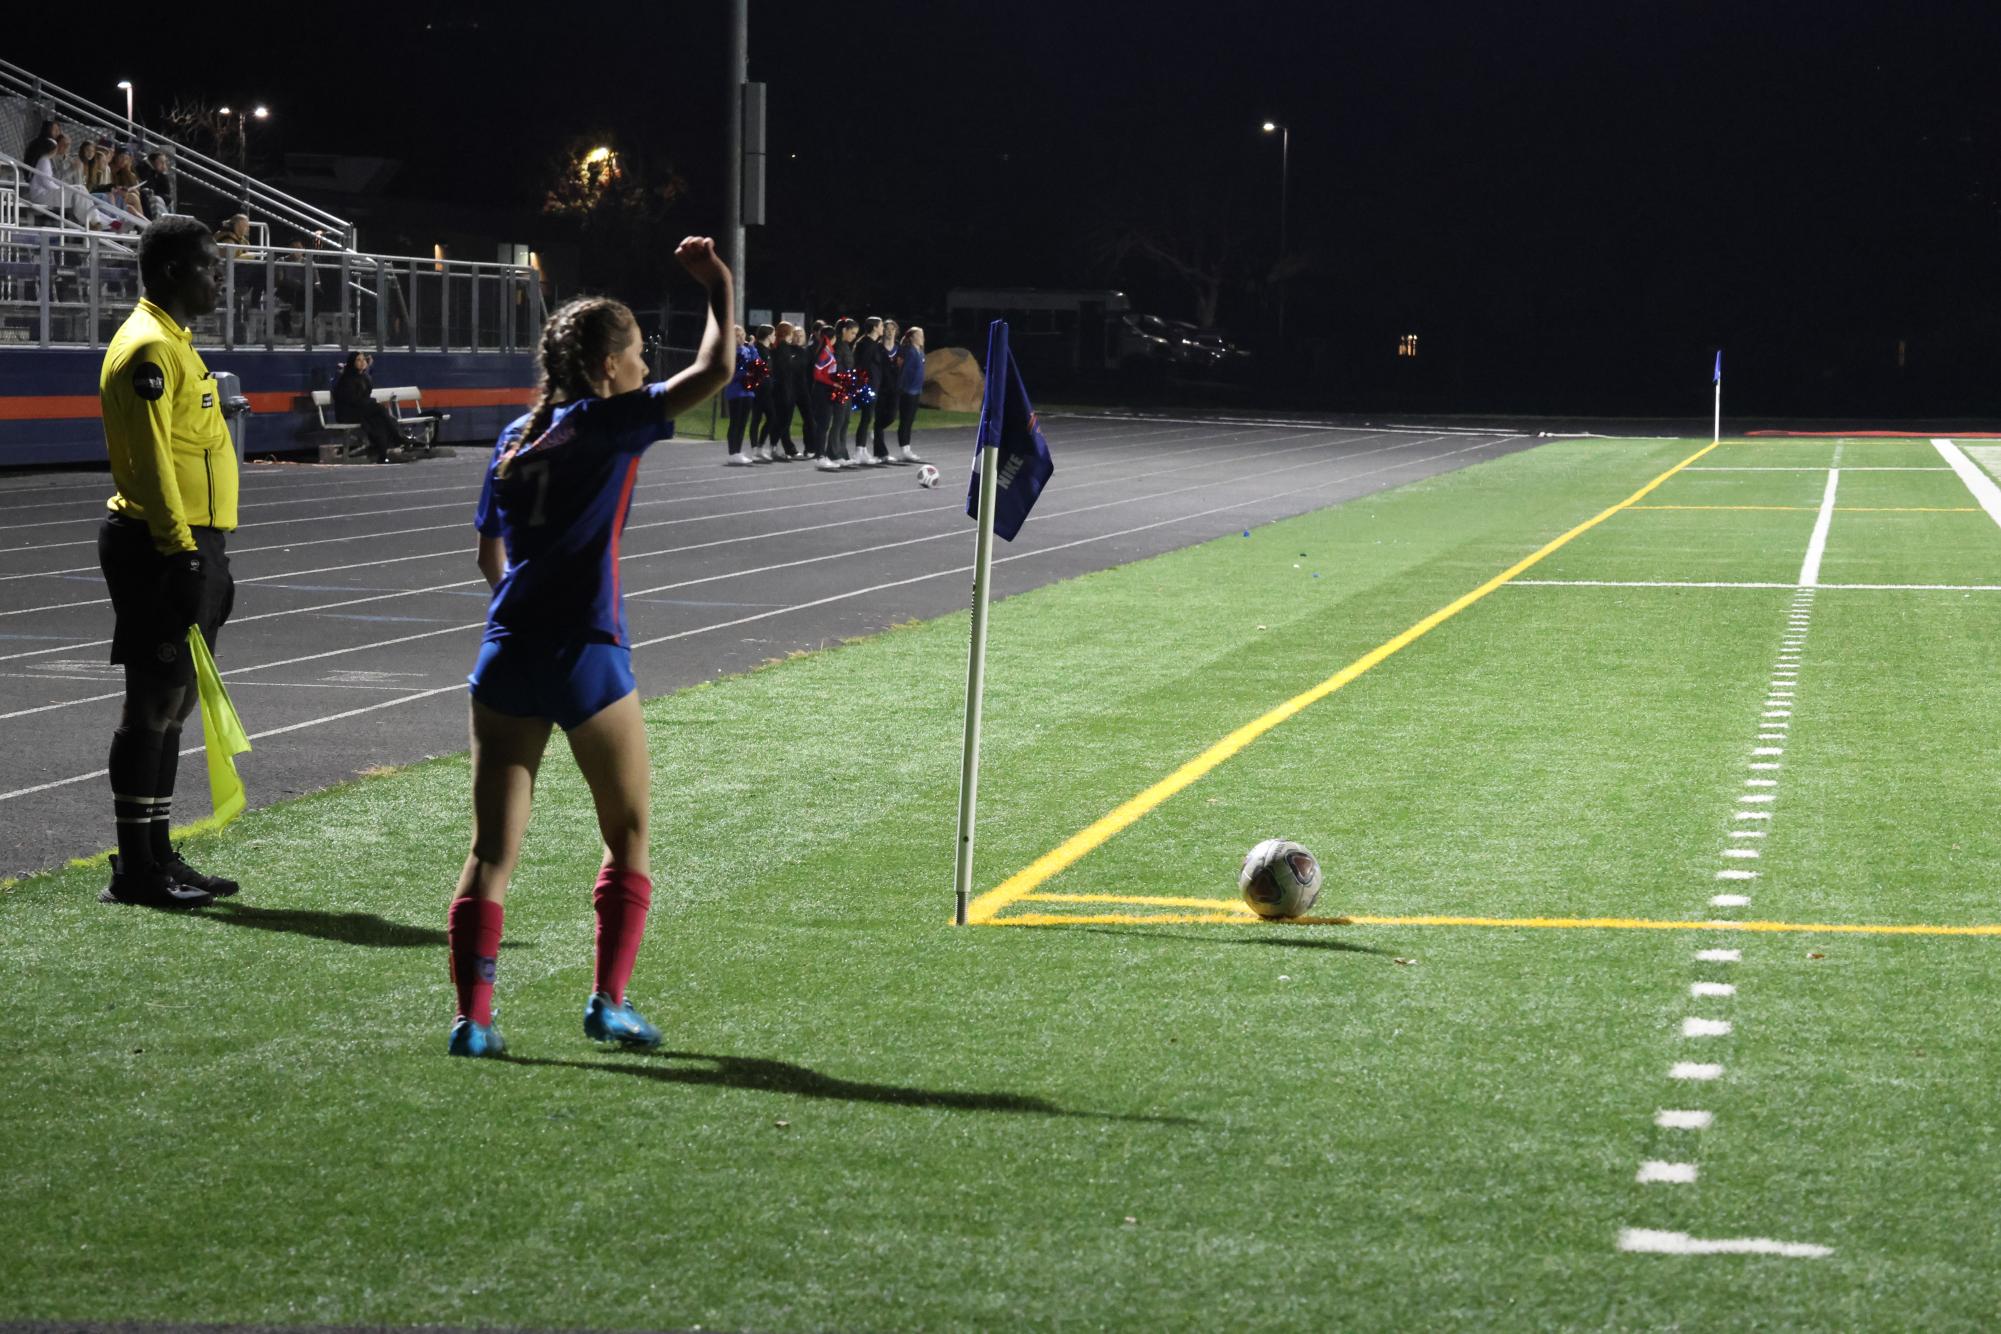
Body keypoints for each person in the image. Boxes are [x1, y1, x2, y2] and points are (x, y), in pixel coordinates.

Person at [446, 236, 735, 1058]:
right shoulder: (605, 425)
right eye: (639, 354)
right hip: (586, 649)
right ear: (607, 368)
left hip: (505, 652)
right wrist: (718, 284)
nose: (646, 367)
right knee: (629, 832)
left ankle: (475, 1022)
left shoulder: (514, 437)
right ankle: (608, 1003)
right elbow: (713, 374)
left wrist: (521, 603)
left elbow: (487, 555)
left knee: (491, 851)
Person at [94, 216, 241, 910]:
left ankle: (156, 853)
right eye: (211, 266)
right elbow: (150, 462)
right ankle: (136, 871)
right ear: (177, 271)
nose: (220, 278)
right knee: (151, 705)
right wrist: (181, 550)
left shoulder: (174, 343)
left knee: (176, 704)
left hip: (192, 543)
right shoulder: (150, 347)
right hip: (162, 544)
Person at [332, 351, 408, 463]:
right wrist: (371, 403)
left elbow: (365, 397)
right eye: (358, 360)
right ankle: (397, 437)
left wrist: (370, 403)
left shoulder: (363, 377)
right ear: (352, 363)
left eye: (363, 359)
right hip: (348, 413)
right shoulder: (347, 378)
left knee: (379, 421)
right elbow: (352, 400)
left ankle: (383, 455)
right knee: (379, 410)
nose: (362, 362)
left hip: (362, 410)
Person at [812, 321, 854, 471]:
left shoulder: (828, 349)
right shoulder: (825, 351)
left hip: (826, 390)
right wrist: (833, 383)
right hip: (823, 391)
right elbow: (817, 374)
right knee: (823, 426)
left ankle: (821, 455)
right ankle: (820, 456)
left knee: (824, 425)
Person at [722, 325, 762, 465]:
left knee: (743, 422)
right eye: (736, 336)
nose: (740, 338)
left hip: (748, 391)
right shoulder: (730, 352)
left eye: (741, 335)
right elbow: (730, 373)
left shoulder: (746, 349)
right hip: (735, 391)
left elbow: (757, 363)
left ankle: (737, 451)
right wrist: (746, 373)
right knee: (735, 422)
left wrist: (752, 347)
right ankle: (733, 452)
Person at [851, 316, 889, 466]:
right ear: (874, 327)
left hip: (873, 385)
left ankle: (862, 448)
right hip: (867, 386)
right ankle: (859, 450)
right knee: (866, 418)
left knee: (868, 418)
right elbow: (862, 365)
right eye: (881, 326)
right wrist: (863, 386)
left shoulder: (873, 344)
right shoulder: (866, 344)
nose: (883, 329)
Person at [766, 320, 801, 458]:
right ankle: (772, 447)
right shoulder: (783, 348)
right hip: (784, 389)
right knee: (784, 420)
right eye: (792, 332)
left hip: (781, 388)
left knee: (782, 419)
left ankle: (779, 447)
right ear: (788, 333)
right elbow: (785, 369)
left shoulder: (778, 347)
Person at [871, 319, 904, 461]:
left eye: (892, 329)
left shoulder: (900, 349)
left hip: (895, 389)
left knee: (891, 417)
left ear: (896, 332)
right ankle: (881, 453)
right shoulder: (877, 348)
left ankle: (876, 430)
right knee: (879, 418)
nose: (889, 332)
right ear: (882, 331)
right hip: (880, 388)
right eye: (887, 328)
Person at [894, 325, 928, 463]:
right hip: (907, 390)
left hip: (916, 390)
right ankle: (904, 449)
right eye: (920, 335)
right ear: (913, 337)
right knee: (905, 420)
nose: (922, 338)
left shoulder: (920, 351)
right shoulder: (908, 351)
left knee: (910, 421)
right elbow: (903, 370)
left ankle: (907, 448)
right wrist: (901, 387)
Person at [748, 324, 778, 461]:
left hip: (767, 390)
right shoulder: (758, 350)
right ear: (767, 335)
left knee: (771, 417)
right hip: (759, 390)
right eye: (773, 334)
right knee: (756, 418)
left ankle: (760, 447)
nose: (775, 337)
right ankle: (755, 450)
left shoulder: (768, 350)